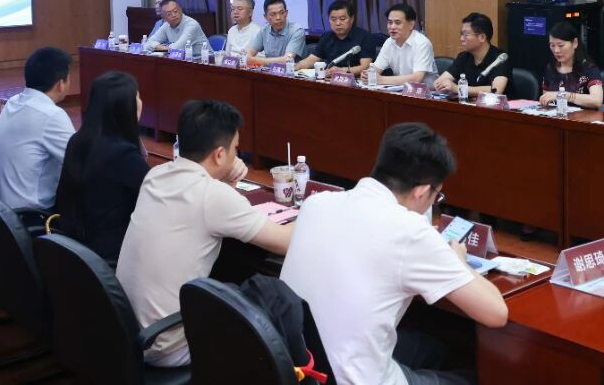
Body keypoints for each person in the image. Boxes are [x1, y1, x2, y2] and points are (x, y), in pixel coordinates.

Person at [282, 123, 507, 385]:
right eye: (437, 195)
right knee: (472, 376)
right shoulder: (411, 231)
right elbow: (496, 313)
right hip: (353, 378)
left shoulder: (316, 203)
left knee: (434, 347)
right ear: (422, 190)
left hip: (299, 365)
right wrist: (459, 262)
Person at [117, 99, 293, 368]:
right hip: (170, 345)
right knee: (275, 301)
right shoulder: (212, 195)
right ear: (219, 154)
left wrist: (226, 183)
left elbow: (206, 213)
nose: (236, 155)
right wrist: (315, 209)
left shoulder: (156, 175)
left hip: (129, 331)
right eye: (236, 148)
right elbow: (285, 242)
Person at [54, 71, 149, 261]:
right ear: (125, 107)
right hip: (108, 257)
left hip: (71, 248)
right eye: (137, 97)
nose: (141, 102)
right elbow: (154, 196)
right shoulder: (124, 156)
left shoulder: (77, 141)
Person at [0, 47, 76, 212]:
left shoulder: (13, 102)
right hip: (25, 218)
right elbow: (81, 163)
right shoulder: (51, 115)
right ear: (60, 84)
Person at [433, 13, 508, 97]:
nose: (461, 39)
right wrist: (441, 85)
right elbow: (439, 82)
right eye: (461, 34)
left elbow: (496, 90)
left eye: (466, 35)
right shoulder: (464, 57)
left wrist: (458, 88)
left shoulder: (500, 59)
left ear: (482, 37)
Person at [295, 0, 375, 77]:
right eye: (333, 19)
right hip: (329, 80)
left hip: (354, 81)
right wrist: (293, 67)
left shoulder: (365, 37)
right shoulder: (327, 36)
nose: (338, 23)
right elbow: (311, 60)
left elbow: (365, 67)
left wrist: (342, 71)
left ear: (352, 19)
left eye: (342, 19)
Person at [537, 20, 603, 109]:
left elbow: (597, 101)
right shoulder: (551, 68)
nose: (556, 50)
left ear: (575, 43)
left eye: (561, 45)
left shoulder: (589, 69)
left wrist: (563, 95)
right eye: (552, 45)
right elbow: (546, 99)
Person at [374, 4, 437, 86]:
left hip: (426, 91)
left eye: (397, 23)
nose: (392, 27)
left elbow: (417, 78)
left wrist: (381, 79)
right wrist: (368, 75)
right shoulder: (389, 42)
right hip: (400, 89)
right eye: (390, 22)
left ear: (411, 25)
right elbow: (376, 69)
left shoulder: (422, 43)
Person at [246, 0, 306, 65]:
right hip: (270, 70)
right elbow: (248, 54)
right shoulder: (264, 30)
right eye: (273, 14)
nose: (278, 17)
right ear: (265, 17)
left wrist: (256, 60)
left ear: (286, 13)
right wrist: (249, 57)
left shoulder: (297, 31)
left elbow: (287, 60)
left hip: (293, 71)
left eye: (281, 13)